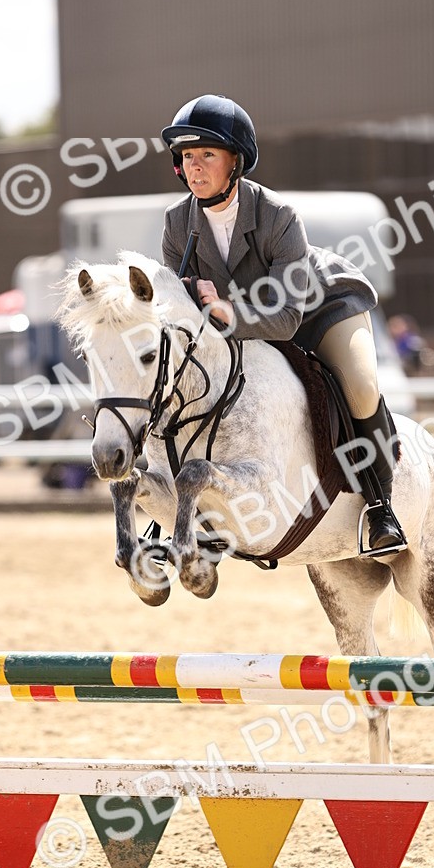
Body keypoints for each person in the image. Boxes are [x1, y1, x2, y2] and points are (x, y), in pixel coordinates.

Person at [160, 93, 406, 555]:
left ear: (237, 161)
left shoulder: (278, 216)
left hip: (321, 308)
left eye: (207, 155)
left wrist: (226, 312)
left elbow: (289, 319)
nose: (195, 167)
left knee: (360, 386)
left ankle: (379, 507)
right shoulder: (177, 224)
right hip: (244, 322)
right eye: (188, 157)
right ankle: (171, 515)